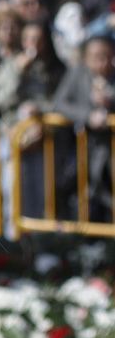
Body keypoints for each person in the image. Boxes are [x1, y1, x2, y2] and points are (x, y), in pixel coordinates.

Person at [0, 21, 64, 229]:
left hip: (42, 141)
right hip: (13, 138)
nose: (34, 44)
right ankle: (12, 243)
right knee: (12, 190)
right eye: (29, 39)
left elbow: (59, 101)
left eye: (38, 40)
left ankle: (39, 245)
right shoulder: (11, 64)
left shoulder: (53, 71)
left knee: (41, 195)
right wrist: (17, 72)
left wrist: (39, 111)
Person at [52, 34, 115, 222]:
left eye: (107, 56)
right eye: (96, 57)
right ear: (86, 58)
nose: (103, 62)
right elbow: (59, 103)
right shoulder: (78, 72)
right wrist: (88, 115)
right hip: (81, 147)